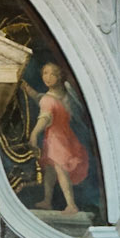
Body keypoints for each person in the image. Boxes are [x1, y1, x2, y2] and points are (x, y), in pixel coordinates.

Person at [29, 61, 92, 214]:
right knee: (50, 170)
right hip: (60, 137)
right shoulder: (59, 96)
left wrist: (34, 133)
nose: (48, 77)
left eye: (52, 74)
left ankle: (71, 204)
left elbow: (44, 118)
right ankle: (47, 200)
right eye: (45, 73)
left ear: (59, 77)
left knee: (60, 169)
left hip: (57, 139)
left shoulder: (49, 99)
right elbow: (39, 98)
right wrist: (27, 89)